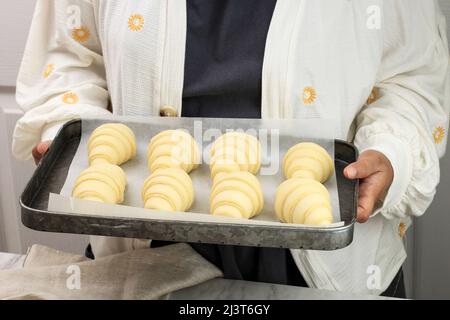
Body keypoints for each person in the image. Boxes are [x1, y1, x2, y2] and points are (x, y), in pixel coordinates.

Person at [13, 0, 450, 298]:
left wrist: (391, 151)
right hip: (138, 248)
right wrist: (70, 139)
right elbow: (68, 56)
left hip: (328, 264)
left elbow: (414, 79)